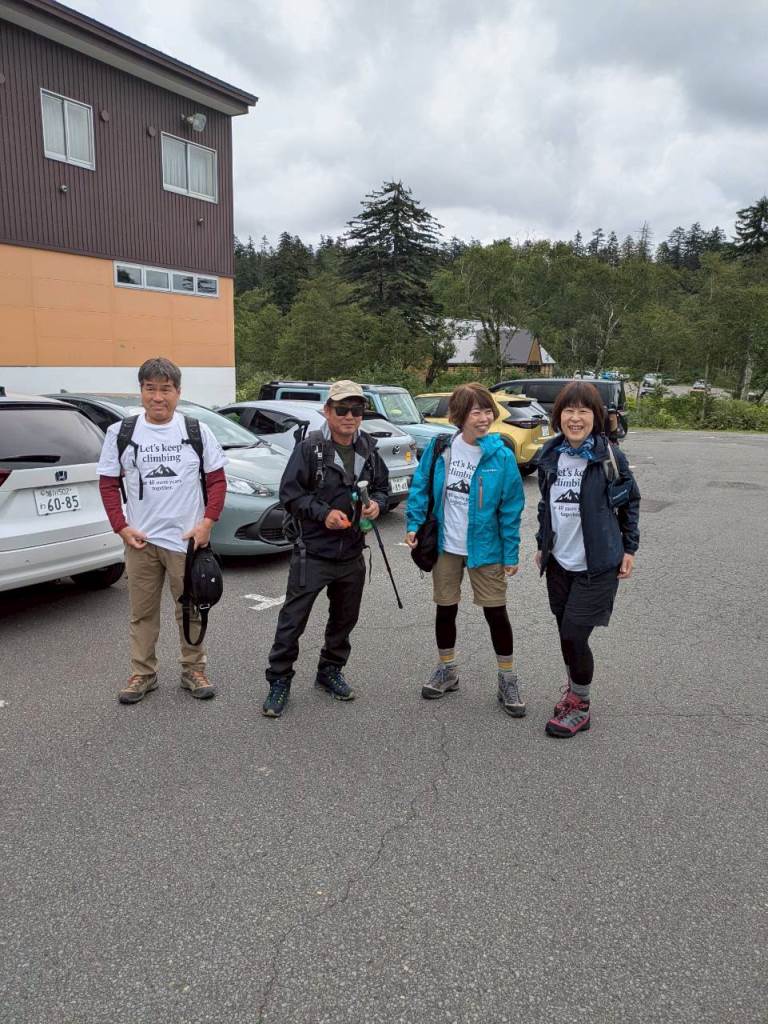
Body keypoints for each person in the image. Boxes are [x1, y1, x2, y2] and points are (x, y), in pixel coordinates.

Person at [97, 357, 227, 704]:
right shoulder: (121, 433)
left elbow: (216, 481)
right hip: (140, 541)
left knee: (192, 609)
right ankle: (143, 673)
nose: (158, 397)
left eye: (165, 389)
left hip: (186, 541)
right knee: (142, 613)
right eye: (150, 389)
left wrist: (207, 523)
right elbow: (108, 484)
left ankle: (193, 670)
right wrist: (121, 527)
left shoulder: (196, 431)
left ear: (178, 392)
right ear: (141, 391)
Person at [262, 380, 389, 718]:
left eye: (356, 409)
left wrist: (376, 504)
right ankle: (279, 680)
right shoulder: (310, 449)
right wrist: (324, 514)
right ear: (327, 411)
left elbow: (382, 487)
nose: (350, 416)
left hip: (352, 552)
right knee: (292, 622)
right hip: (313, 553)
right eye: (342, 409)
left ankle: (330, 670)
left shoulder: (368, 448)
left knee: (344, 619)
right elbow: (290, 495)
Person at [405, 383, 526, 715]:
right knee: (445, 609)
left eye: (488, 411)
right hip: (446, 545)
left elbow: (511, 508)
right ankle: (448, 670)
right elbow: (421, 487)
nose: (484, 418)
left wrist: (511, 552)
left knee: (496, 612)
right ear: (459, 416)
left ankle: (507, 678)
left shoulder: (501, 455)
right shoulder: (441, 448)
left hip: (486, 547)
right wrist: (414, 523)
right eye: (476, 412)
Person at [534, 380, 640, 738]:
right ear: (558, 416)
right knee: (565, 635)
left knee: (574, 635)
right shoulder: (551, 455)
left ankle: (580, 706)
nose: (575, 418)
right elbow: (546, 505)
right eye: (568, 410)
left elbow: (630, 502)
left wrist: (629, 548)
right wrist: (542, 543)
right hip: (559, 563)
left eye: (583, 410)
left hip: (597, 565)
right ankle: (573, 691)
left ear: (596, 416)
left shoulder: (608, 457)